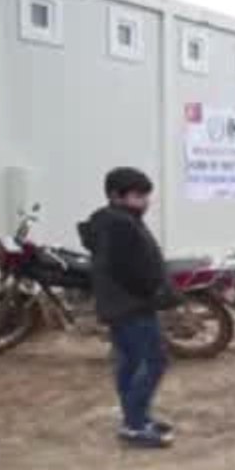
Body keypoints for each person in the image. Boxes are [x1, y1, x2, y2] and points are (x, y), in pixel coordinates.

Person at [78, 167, 176, 449]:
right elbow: (130, 270)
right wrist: (153, 291)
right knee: (153, 361)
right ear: (115, 196)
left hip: (121, 304)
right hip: (132, 306)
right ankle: (134, 424)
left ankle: (136, 416)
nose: (144, 202)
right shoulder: (119, 225)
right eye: (137, 196)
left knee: (131, 362)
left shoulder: (116, 219)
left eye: (146, 196)